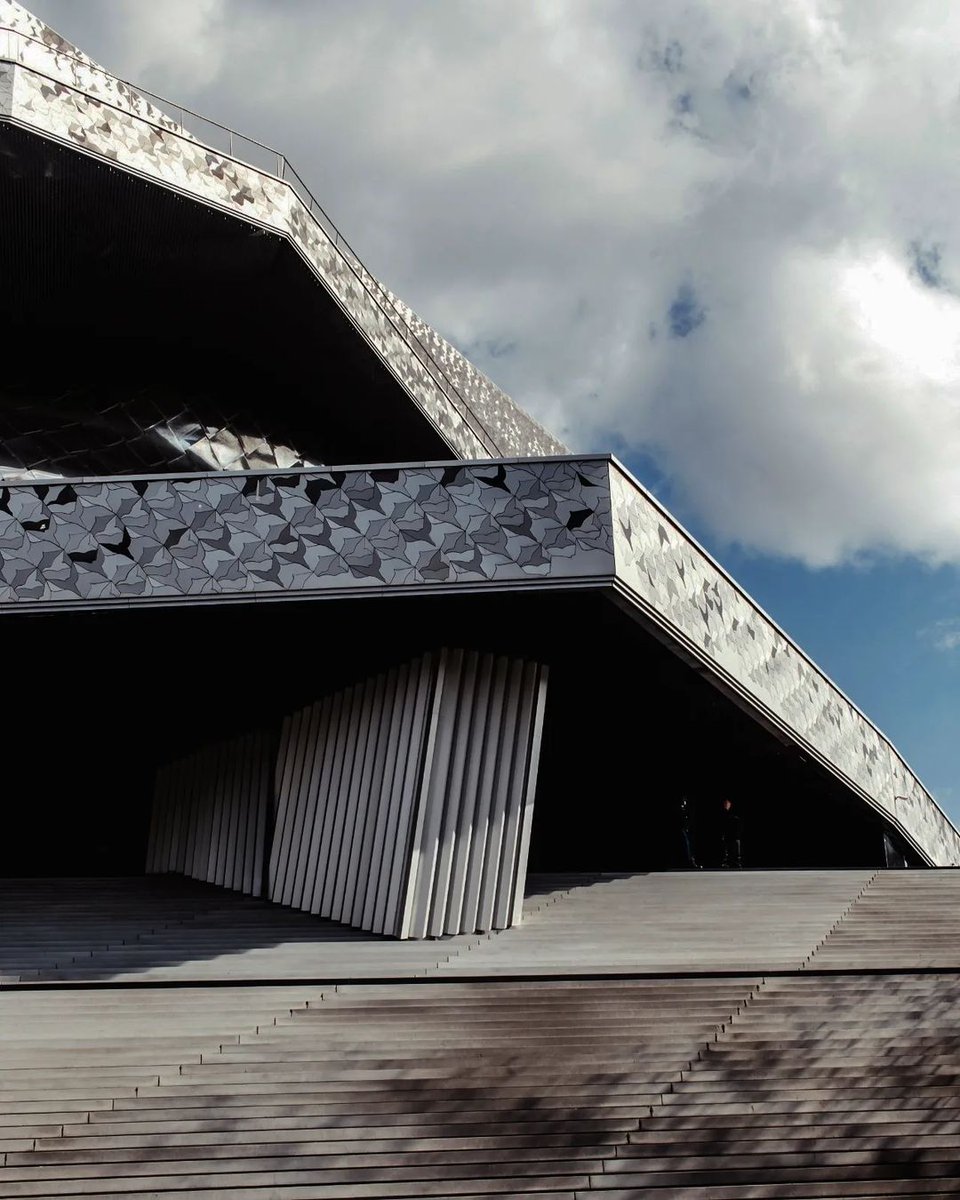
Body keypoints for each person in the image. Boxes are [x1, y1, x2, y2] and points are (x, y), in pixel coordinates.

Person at [719, 798, 742, 869]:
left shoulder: (735, 812)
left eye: (727, 803)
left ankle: (736, 863)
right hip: (727, 834)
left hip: (735, 834)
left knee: (736, 850)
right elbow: (723, 824)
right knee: (726, 850)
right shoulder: (723, 813)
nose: (726, 805)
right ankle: (726, 863)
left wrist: (738, 834)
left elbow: (738, 822)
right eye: (725, 803)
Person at [678, 795, 699, 868]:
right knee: (687, 844)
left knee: (689, 844)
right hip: (684, 828)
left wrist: (688, 826)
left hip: (688, 828)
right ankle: (688, 860)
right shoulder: (683, 808)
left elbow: (689, 818)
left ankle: (691, 860)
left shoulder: (689, 808)